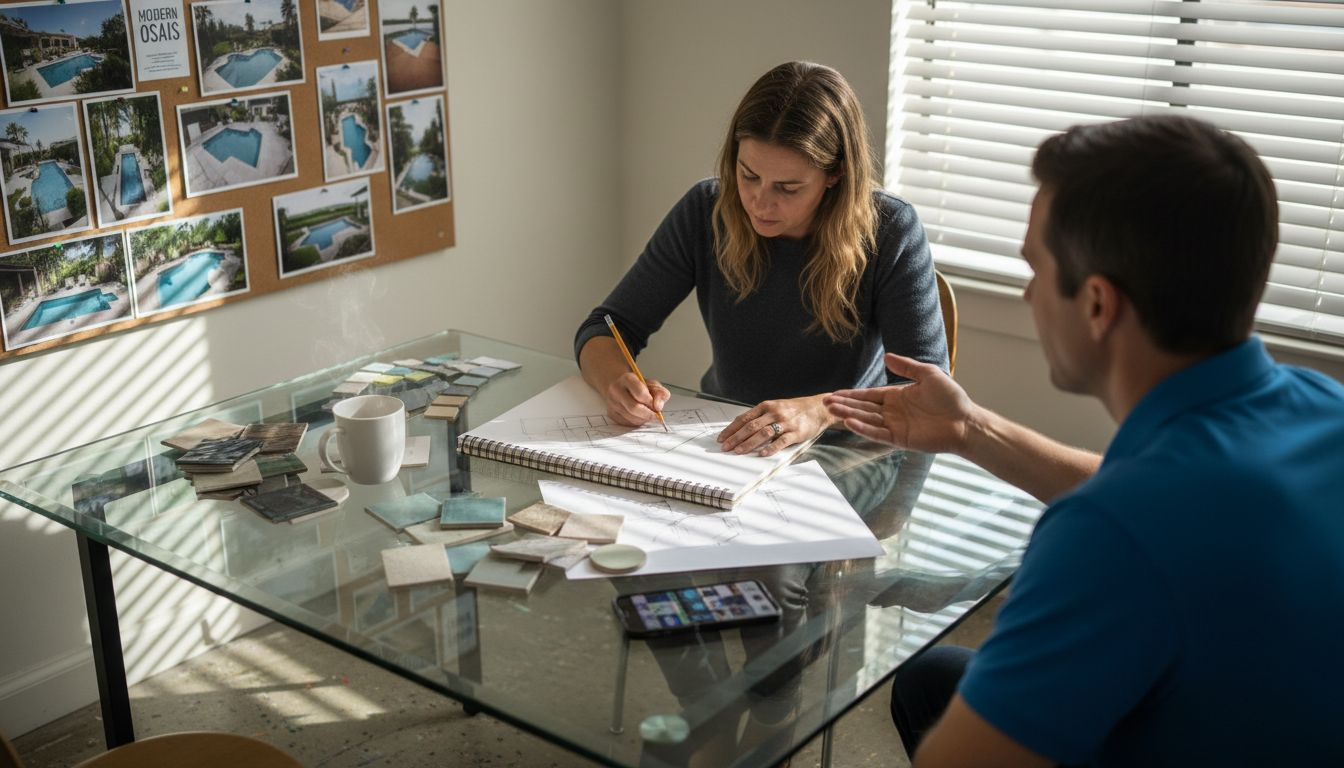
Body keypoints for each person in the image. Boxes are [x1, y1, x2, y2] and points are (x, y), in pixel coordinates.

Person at [825, 114, 1344, 766]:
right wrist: (970, 429)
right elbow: (1160, 494)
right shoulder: (1324, 408)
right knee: (934, 680)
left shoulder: (1110, 535)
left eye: (1036, 268)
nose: (1028, 291)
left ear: (1098, 304)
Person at [574, 60, 948, 457]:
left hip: (846, 451)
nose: (760, 203)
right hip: (726, 441)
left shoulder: (891, 229)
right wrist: (617, 382)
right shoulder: (707, 209)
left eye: (788, 188)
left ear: (835, 174)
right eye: (748, 175)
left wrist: (820, 410)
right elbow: (606, 327)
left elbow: (925, 391)